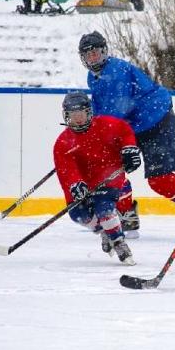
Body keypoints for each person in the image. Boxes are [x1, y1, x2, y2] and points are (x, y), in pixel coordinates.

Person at [77, 31, 175, 232]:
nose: (93, 58)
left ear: (104, 51)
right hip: (129, 126)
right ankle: (126, 213)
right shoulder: (93, 77)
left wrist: (100, 140)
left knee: (159, 180)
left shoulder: (116, 72)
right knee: (109, 170)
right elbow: (101, 112)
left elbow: (116, 112)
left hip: (156, 121)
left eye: (96, 52)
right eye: (88, 55)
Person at [54, 91, 139, 265]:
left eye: (81, 114)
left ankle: (119, 242)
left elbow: (125, 131)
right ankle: (104, 232)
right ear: (66, 115)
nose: (78, 119)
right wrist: (75, 184)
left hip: (108, 176)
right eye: (73, 115)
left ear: (89, 112)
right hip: (83, 182)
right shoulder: (62, 143)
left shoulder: (106, 124)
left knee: (104, 209)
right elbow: (66, 171)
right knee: (78, 214)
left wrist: (129, 148)